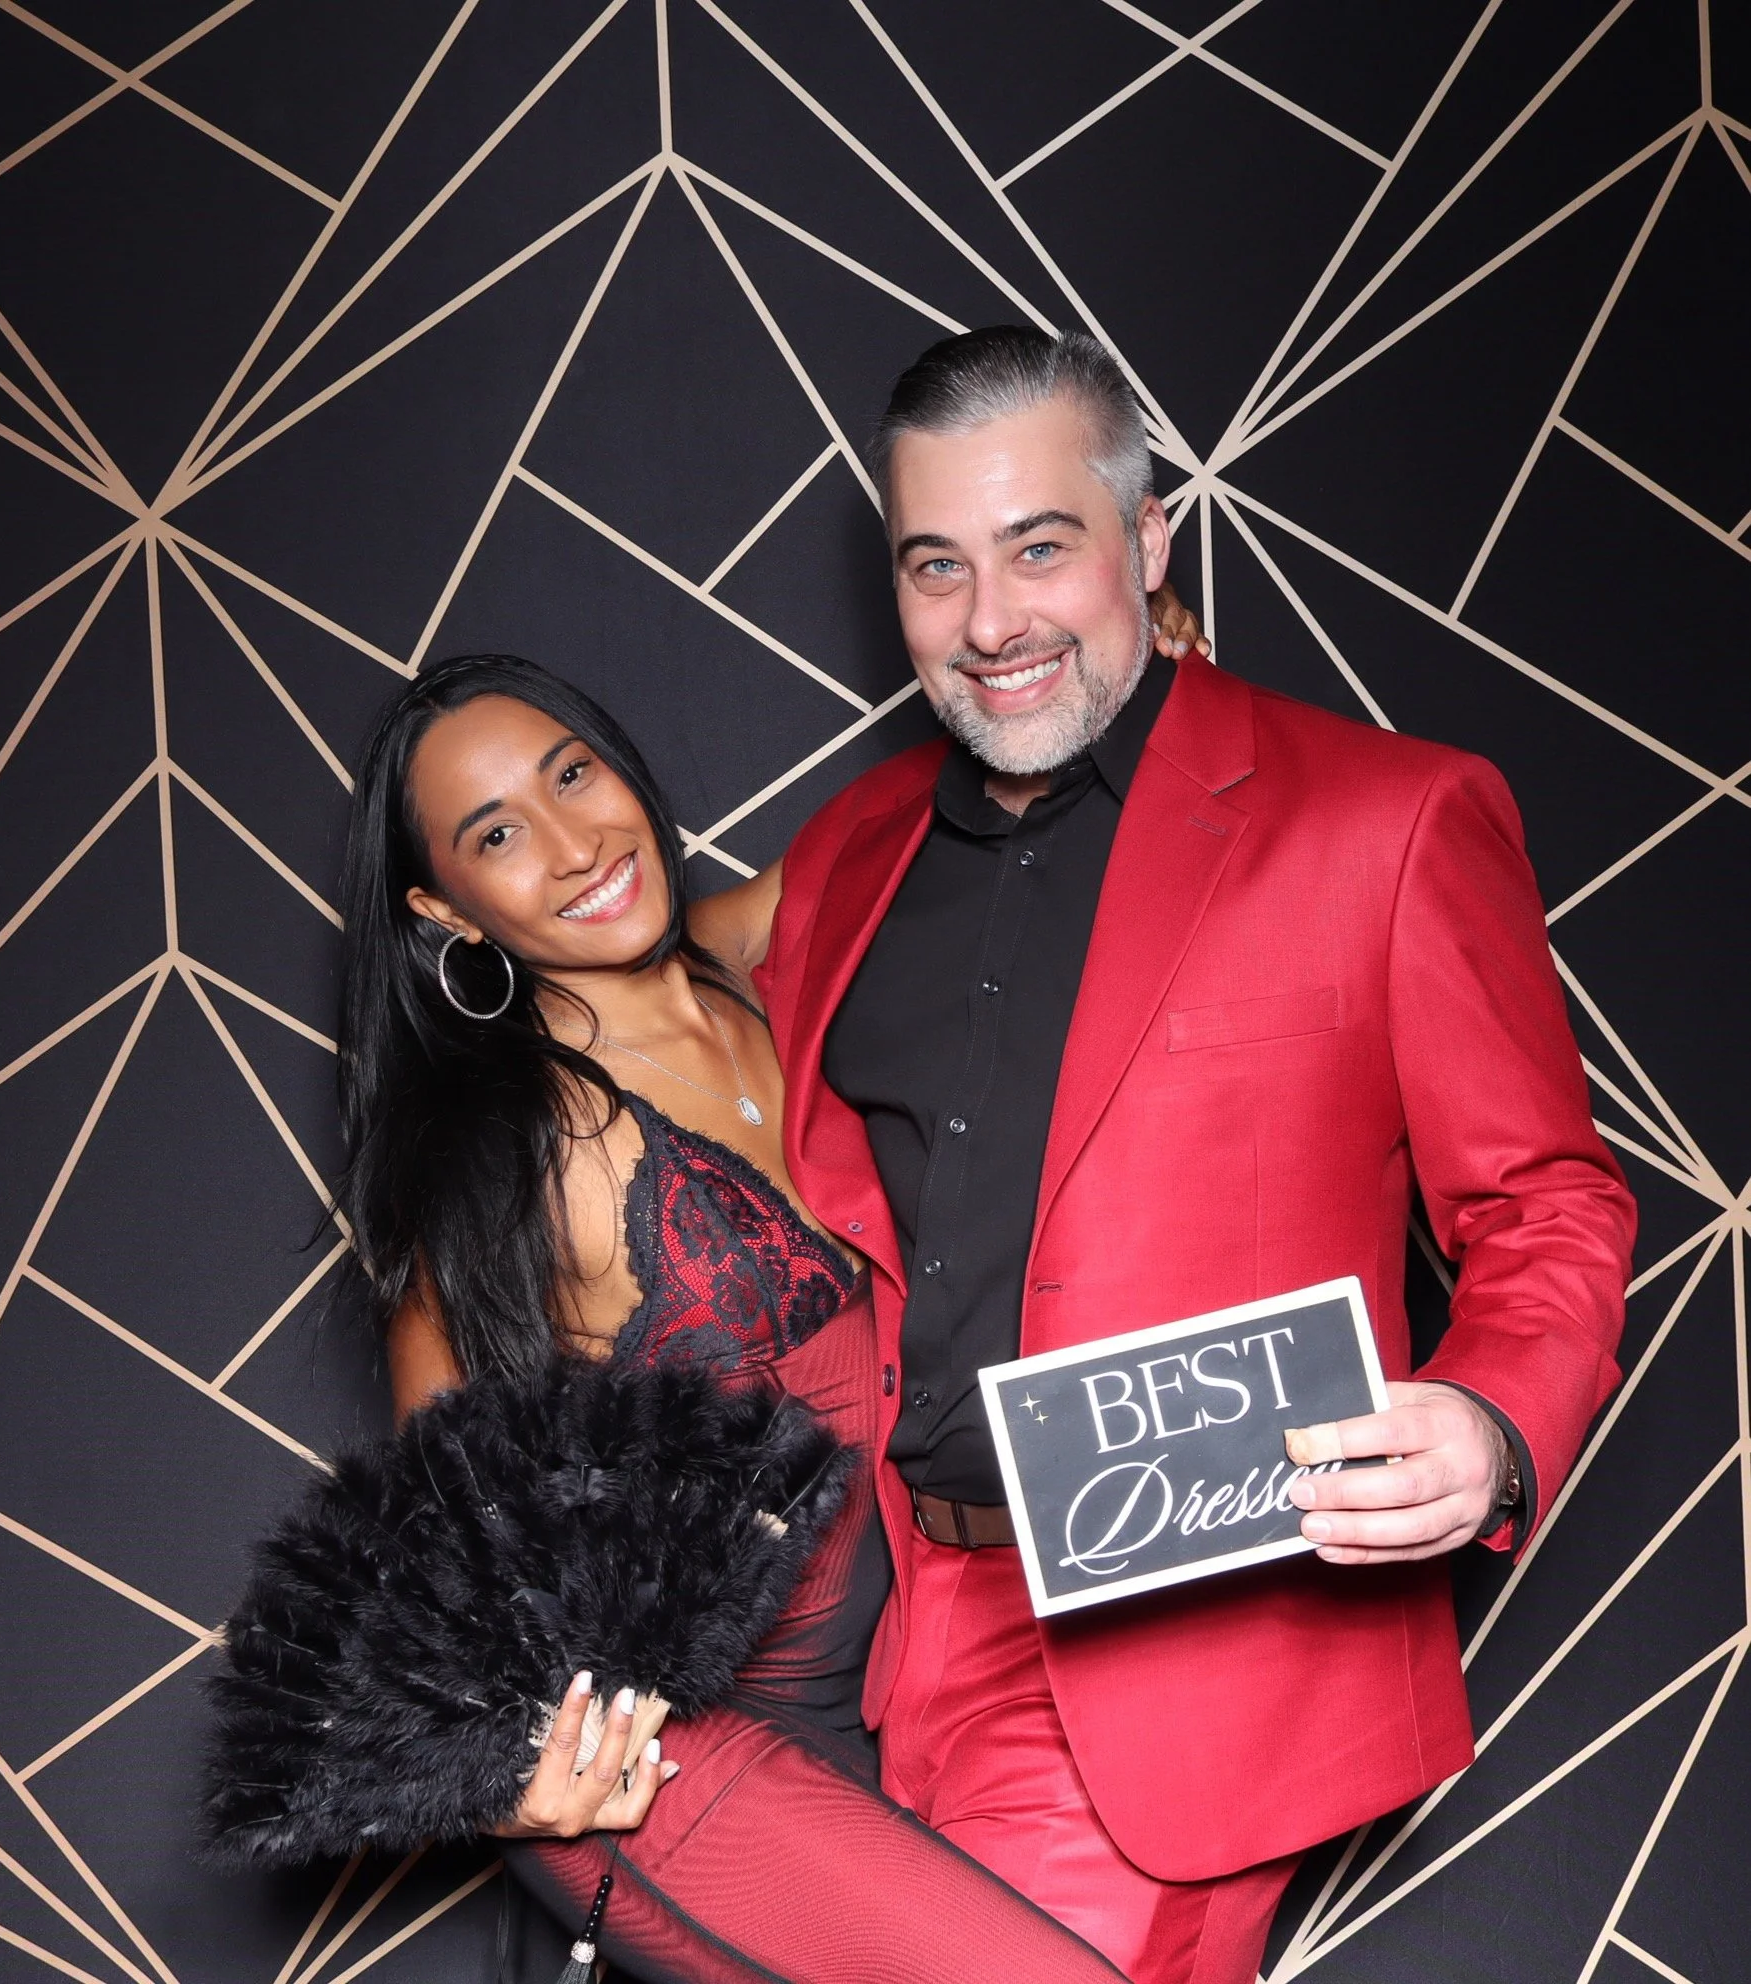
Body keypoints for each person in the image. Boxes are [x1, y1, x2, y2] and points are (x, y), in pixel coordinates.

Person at [692, 326, 1637, 1984]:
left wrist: (1491, 1421)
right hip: (880, 1636)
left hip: (1175, 1645)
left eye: (1039, 548)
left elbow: (1547, 1197)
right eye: (935, 567)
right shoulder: (843, 854)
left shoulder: (1385, 818)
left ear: (1146, 543)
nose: (988, 624)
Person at [334, 650, 1176, 1982]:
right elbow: (440, 1567)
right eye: (499, 834)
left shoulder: (744, 964)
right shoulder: (510, 1163)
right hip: (670, 1769)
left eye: (572, 775)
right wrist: (510, 1779)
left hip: (878, 1700)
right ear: (445, 908)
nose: (571, 845)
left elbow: (931, 816)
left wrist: (1105, 650)